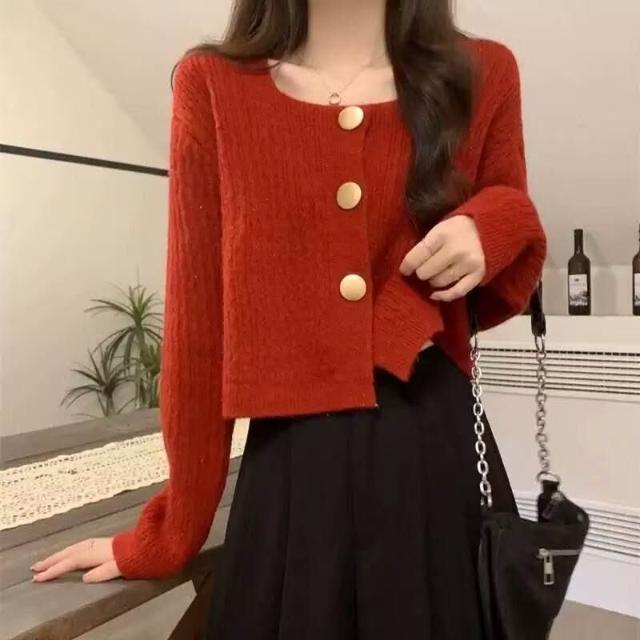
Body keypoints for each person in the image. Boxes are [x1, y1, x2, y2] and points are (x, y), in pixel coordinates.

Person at [31, 0, 547, 637]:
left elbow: (513, 213)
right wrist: (169, 534)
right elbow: (199, 327)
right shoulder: (214, 86)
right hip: (292, 468)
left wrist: (490, 225)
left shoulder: (482, 72)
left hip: (431, 455)